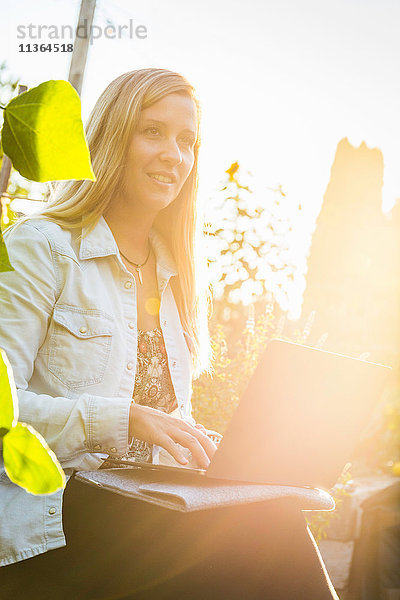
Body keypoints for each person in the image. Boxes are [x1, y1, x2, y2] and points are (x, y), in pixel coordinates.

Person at [0, 68, 339, 599]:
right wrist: (121, 418)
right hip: (58, 510)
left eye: (188, 142)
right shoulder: (41, 246)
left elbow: (167, 419)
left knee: (270, 511)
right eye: (152, 132)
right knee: (264, 534)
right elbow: (4, 413)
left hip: (141, 504)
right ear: (113, 138)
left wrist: (227, 453)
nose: (174, 155)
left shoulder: (177, 277)